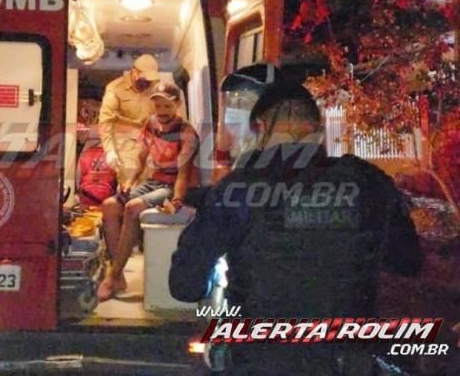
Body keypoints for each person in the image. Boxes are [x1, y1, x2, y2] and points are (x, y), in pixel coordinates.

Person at [169, 78, 423, 375]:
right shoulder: (368, 181)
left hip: (260, 361)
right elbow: (408, 262)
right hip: (347, 360)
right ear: (317, 129)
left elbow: (185, 286)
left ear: (262, 128)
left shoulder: (237, 189)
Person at [97, 83, 199, 301]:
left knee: (132, 208)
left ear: (178, 105)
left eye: (167, 106)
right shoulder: (150, 124)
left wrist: (178, 200)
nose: (161, 111)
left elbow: (183, 174)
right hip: (154, 181)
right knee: (109, 205)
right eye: (157, 105)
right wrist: (129, 182)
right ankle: (119, 274)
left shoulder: (187, 133)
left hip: (172, 187)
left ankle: (112, 275)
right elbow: (141, 157)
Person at [98, 54, 162, 186]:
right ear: (134, 72)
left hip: (149, 141)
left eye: (150, 79)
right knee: (128, 183)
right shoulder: (116, 88)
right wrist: (110, 150)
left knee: (149, 183)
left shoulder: (155, 88)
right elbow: (106, 121)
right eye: (145, 78)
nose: (147, 82)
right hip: (125, 142)